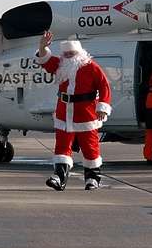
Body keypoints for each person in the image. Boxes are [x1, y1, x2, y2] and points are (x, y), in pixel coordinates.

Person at [36, 30, 112, 190]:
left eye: (72, 53)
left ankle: (92, 178)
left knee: (90, 146)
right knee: (62, 145)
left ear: (79, 53)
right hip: (64, 112)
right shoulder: (60, 65)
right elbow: (45, 59)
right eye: (66, 54)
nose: (69, 57)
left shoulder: (91, 67)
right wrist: (42, 47)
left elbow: (104, 86)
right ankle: (59, 177)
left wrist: (103, 106)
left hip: (86, 113)